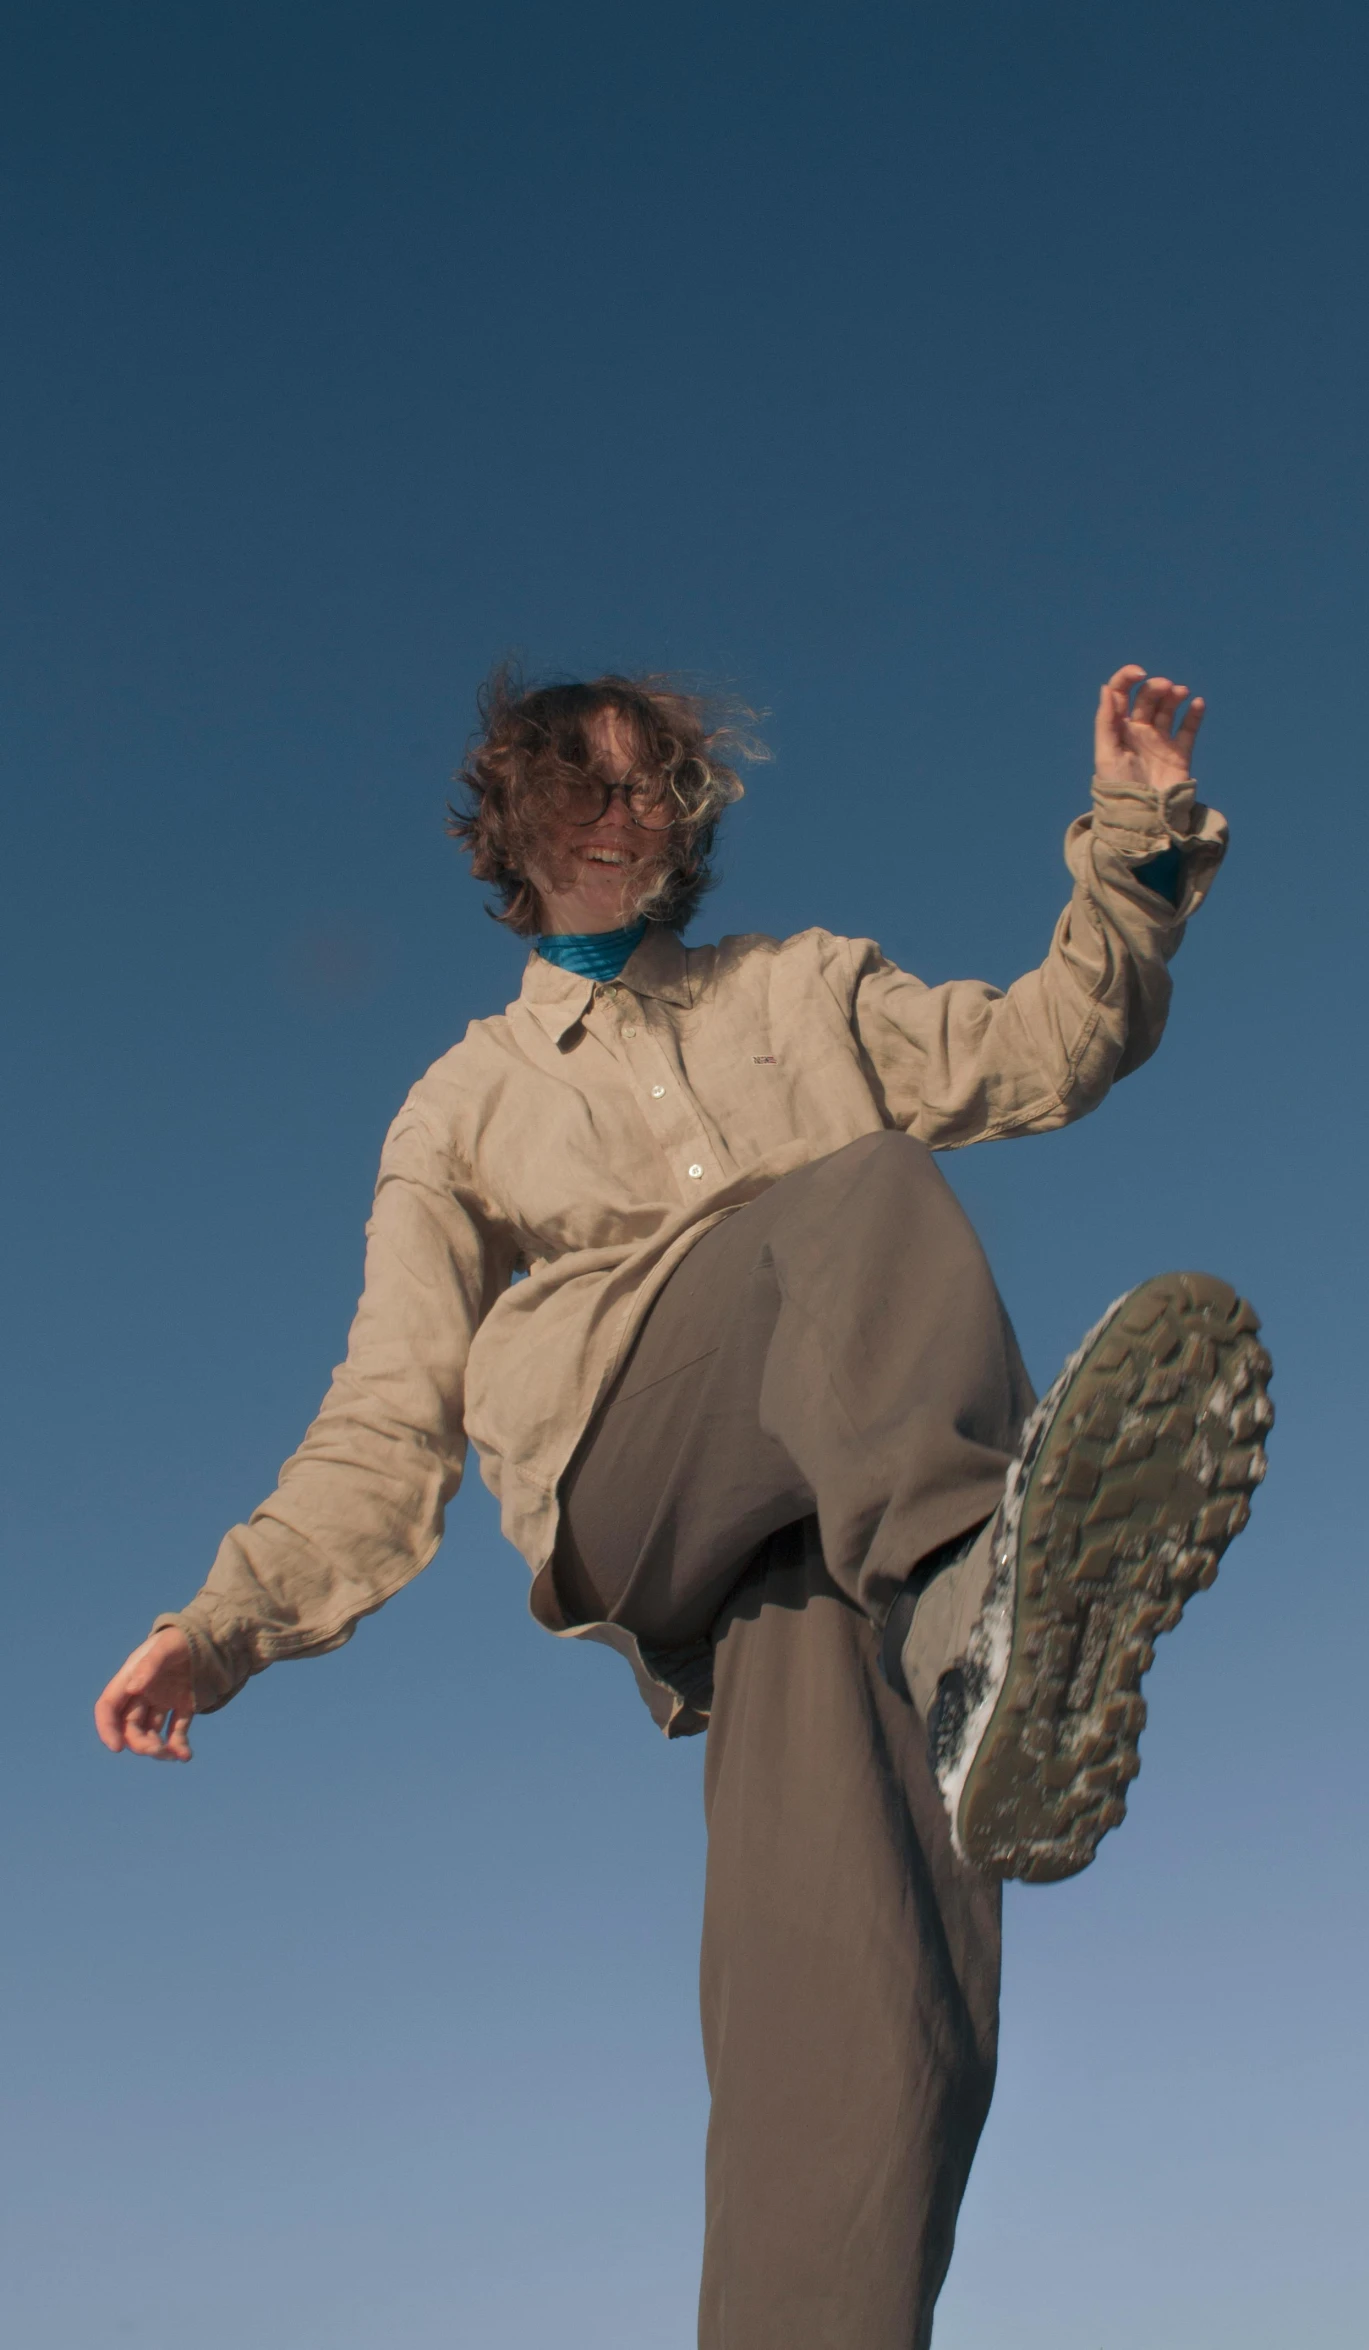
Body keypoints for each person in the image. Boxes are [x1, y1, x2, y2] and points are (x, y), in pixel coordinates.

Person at [95, 661, 1272, 2350]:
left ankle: (971, 1661)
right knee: (852, 1205)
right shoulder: (462, 1104)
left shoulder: (800, 987)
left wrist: (1134, 835)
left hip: (818, 1538)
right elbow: (389, 1409)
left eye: (661, 787)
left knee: (869, 2018)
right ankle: (982, 1607)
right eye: (593, 783)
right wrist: (218, 1627)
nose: (632, 812)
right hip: (626, 1478)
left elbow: (1045, 1047)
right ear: (517, 820)